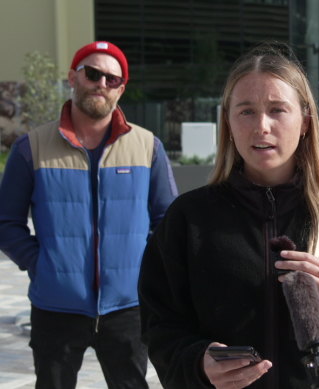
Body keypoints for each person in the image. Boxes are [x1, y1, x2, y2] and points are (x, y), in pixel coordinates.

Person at [138, 44, 319, 389]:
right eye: (246, 111)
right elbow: (159, 328)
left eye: (277, 109)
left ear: (306, 121)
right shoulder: (188, 220)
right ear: (228, 122)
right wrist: (197, 363)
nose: (261, 126)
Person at [0, 41, 178, 388]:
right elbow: (6, 223)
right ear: (73, 77)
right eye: (93, 74)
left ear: (121, 89)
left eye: (113, 79)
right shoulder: (31, 147)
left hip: (128, 308)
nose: (102, 84)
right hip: (56, 308)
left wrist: (144, 271)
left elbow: (169, 222)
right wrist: (42, 265)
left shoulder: (147, 147)